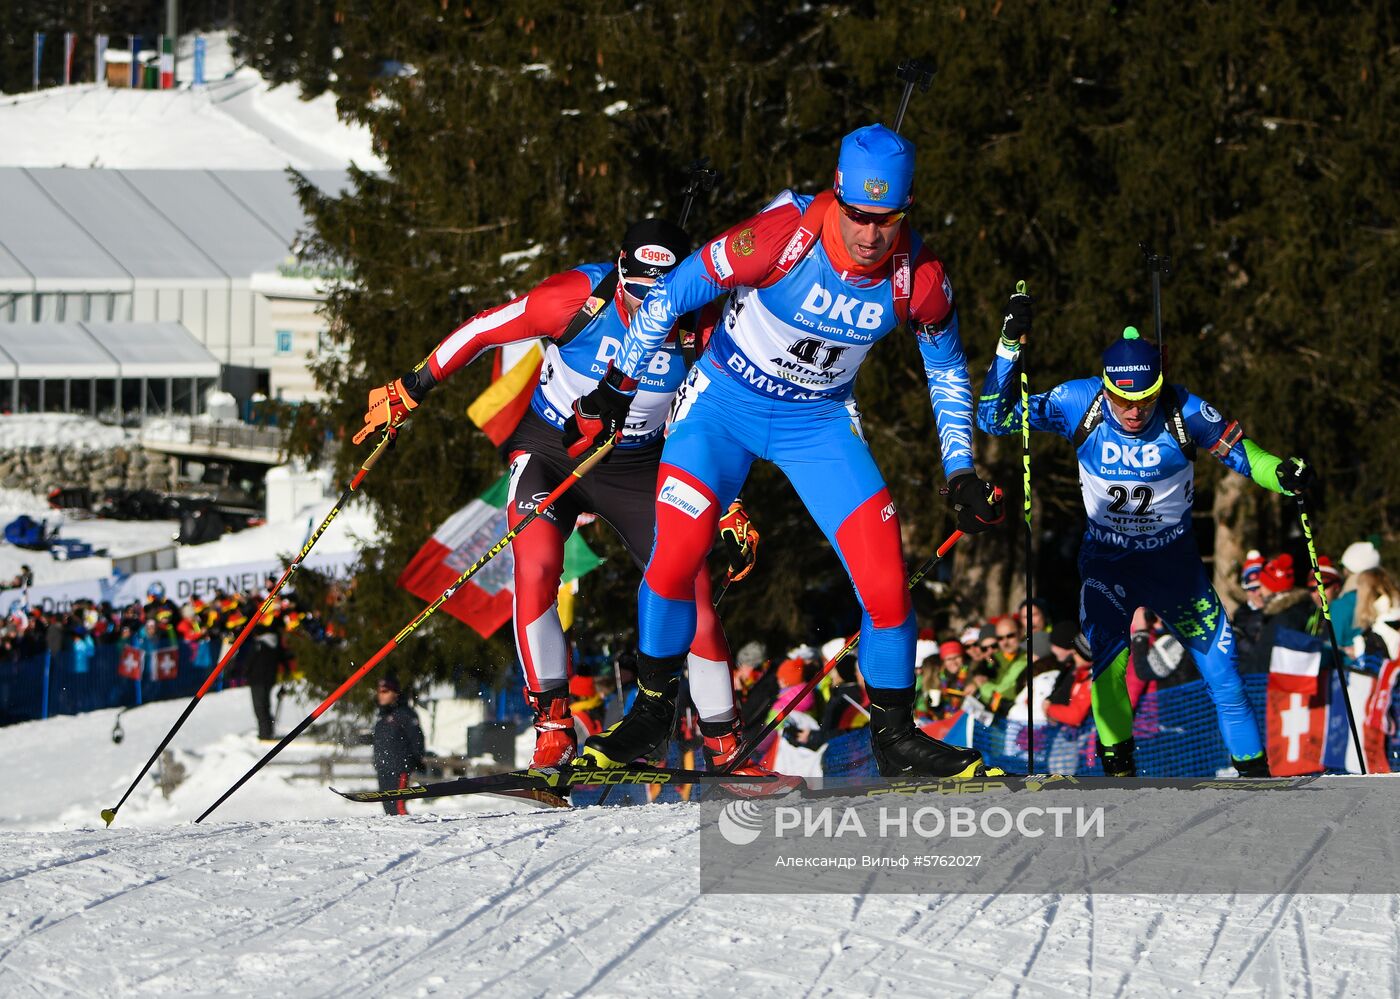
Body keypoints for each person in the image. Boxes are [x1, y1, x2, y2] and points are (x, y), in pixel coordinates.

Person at [564, 123, 1004, 781]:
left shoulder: (922, 277)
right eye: (857, 214)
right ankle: (649, 717)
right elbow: (678, 290)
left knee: (887, 587)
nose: (869, 234)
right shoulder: (784, 235)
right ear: (838, 195)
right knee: (675, 555)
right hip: (721, 409)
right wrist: (617, 384)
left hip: (817, 425)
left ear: (905, 213)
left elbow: (946, 369)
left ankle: (895, 736)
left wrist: (961, 468)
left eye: (887, 220)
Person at [357, 220, 782, 790]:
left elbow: (729, 412)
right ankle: (553, 725)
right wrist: (413, 386)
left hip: (639, 468)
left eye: (661, 294)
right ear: (617, 270)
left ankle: (724, 744)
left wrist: (727, 501)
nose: (645, 307)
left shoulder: (701, 324)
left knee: (690, 589)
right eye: (634, 289)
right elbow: (485, 329)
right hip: (551, 450)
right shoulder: (574, 299)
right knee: (534, 567)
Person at [978, 303, 1314, 778]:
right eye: (1122, 399)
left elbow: (1246, 457)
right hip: (1108, 562)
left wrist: (1283, 473)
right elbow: (994, 419)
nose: (1134, 412)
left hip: (1173, 566)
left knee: (1224, 672)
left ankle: (1255, 776)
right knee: (1109, 665)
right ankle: (1118, 772)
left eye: (1146, 399)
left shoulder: (1186, 412)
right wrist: (1010, 346)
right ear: (1107, 386)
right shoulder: (1081, 402)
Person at [372, 674, 425, 816]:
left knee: (398, 806)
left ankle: (407, 832)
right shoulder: (382, 716)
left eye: (385, 691)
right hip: (383, 768)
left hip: (399, 768)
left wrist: (416, 758)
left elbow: (417, 738)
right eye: (379, 692)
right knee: (388, 808)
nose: (381, 696)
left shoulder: (405, 714)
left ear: (394, 693)